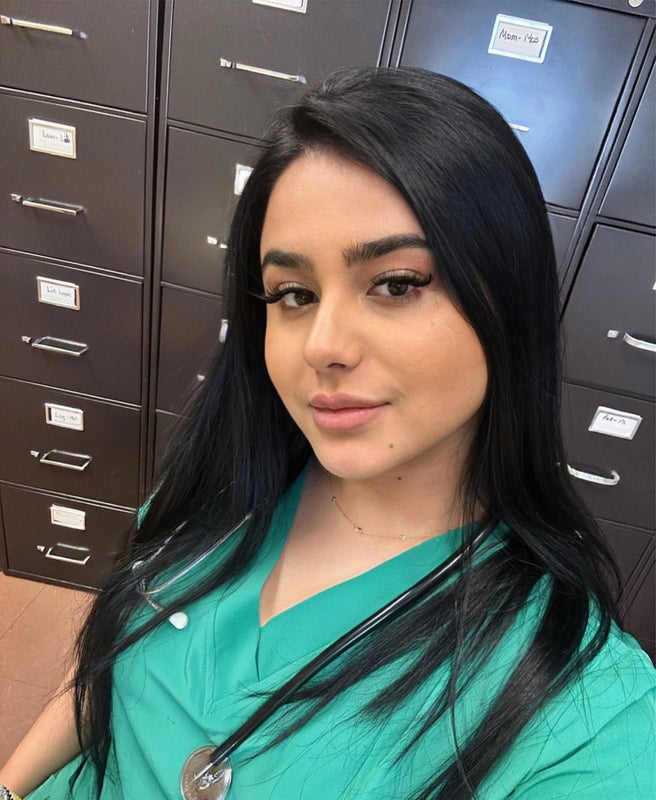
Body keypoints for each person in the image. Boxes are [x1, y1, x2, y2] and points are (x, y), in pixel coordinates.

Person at [1, 66, 653, 800]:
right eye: (294, 294)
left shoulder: (586, 711)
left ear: (509, 296)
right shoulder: (220, 484)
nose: (322, 345)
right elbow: (108, 658)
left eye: (397, 284)